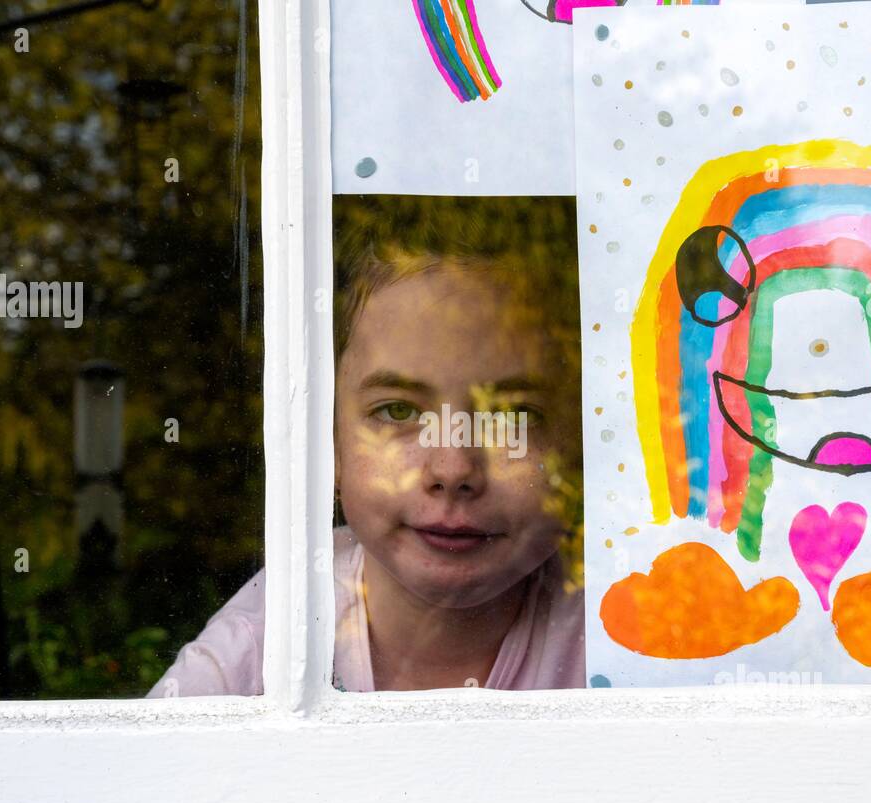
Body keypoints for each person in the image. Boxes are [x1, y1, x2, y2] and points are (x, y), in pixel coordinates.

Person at [147, 197, 584, 695]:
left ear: (584, 444)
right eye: (398, 411)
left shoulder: (623, 633)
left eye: (511, 416)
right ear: (329, 438)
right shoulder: (263, 649)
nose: (453, 465)